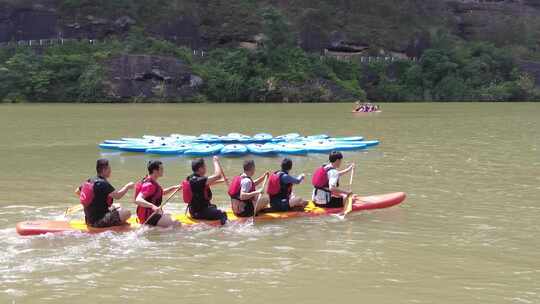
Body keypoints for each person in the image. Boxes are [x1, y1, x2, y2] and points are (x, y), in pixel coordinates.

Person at [76, 159, 134, 228]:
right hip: (97, 222)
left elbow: (77, 191)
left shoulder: (91, 180)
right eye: (109, 168)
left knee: (118, 205)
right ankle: (114, 225)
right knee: (127, 213)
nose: (110, 170)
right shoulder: (102, 183)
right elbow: (118, 196)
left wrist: (92, 202)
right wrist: (127, 186)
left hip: (89, 219)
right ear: (103, 170)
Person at [134, 160, 181, 227]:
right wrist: (153, 206)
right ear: (155, 171)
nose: (163, 170)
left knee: (169, 216)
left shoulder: (149, 181)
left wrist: (174, 188)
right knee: (177, 224)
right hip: (149, 217)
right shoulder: (149, 185)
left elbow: (160, 193)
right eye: (161, 169)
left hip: (148, 215)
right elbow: (138, 199)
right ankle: (156, 231)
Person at [183, 156, 228, 225]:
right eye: (205, 166)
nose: (206, 168)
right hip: (199, 212)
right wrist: (215, 161)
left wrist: (221, 181)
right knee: (223, 215)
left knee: (214, 207)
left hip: (194, 210)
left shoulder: (191, 178)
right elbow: (218, 175)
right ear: (200, 169)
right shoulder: (199, 180)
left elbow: (204, 185)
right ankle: (212, 227)